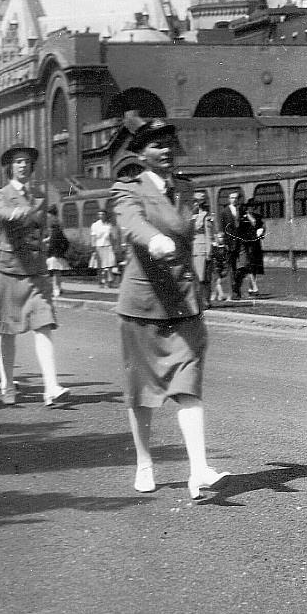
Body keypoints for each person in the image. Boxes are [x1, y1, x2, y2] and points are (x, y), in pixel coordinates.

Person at [114, 117, 230, 500]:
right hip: (144, 303)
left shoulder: (185, 187)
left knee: (188, 382)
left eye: (168, 142)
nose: (165, 150)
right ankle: (145, 462)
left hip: (183, 301)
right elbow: (131, 224)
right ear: (142, 153)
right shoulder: (127, 188)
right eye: (155, 144)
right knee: (142, 392)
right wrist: (153, 240)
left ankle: (198, 470)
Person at [0, 144, 69, 407]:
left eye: (27, 162)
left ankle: (51, 387)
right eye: (18, 162)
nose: (23, 166)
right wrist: (14, 213)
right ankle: (7, 384)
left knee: (44, 325)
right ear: (10, 166)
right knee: (7, 331)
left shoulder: (40, 195)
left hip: (35, 271)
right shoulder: (1, 194)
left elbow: (43, 227)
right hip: (10, 270)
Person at [234, 199, 266, 298]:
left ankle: (251, 288)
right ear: (247, 207)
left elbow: (262, 228)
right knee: (249, 266)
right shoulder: (243, 218)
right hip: (246, 244)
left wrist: (262, 231)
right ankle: (254, 287)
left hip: (256, 243)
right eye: (251, 206)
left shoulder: (258, 217)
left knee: (255, 266)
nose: (252, 208)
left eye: (254, 207)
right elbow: (239, 230)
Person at [191, 188, 214, 309]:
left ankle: (205, 301)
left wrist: (209, 252)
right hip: (191, 249)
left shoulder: (206, 216)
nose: (194, 203)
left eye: (196, 201)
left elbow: (209, 235)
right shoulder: (190, 215)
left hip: (201, 249)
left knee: (203, 278)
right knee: (193, 278)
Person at [219, 189, 243, 300]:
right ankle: (234, 291)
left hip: (241, 242)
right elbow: (222, 228)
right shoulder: (224, 212)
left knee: (243, 266)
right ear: (229, 199)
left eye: (236, 198)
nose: (234, 200)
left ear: (238, 199)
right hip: (230, 243)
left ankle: (236, 287)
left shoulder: (241, 210)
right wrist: (224, 243)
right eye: (232, 198)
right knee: (231, 267)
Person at [45, 205, 70, 297]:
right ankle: (58, 287)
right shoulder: (57, 226)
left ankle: (56, 289)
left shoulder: (55, 225)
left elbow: (53, 239)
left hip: (54, 252)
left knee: (55, 271)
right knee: (57, 272)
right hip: (56, 251)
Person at [90, 209, 116, 288]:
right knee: (100, 266)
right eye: (100, 214)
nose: (101, 216)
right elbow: (93, 237)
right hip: (99, 246)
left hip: (108, 246)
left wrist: (114, 247)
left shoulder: (109, 225)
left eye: (103, 214)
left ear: (105, 215)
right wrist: (93, 249)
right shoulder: (95, 225)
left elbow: (111, 236)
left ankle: (109, 282)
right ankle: (100, 281)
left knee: (110, 264)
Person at [209, 230, 229, 303]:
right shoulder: (214, 247)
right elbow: (212, 256)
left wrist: (225, 268)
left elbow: (226, 258)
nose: (222, 239)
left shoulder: (225, 247)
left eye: (223, 237)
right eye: (220, 237)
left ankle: (213, 295)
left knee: (217, 282)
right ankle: (221, 295)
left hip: (221, 267)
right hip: (215, 266)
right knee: (218, 281)